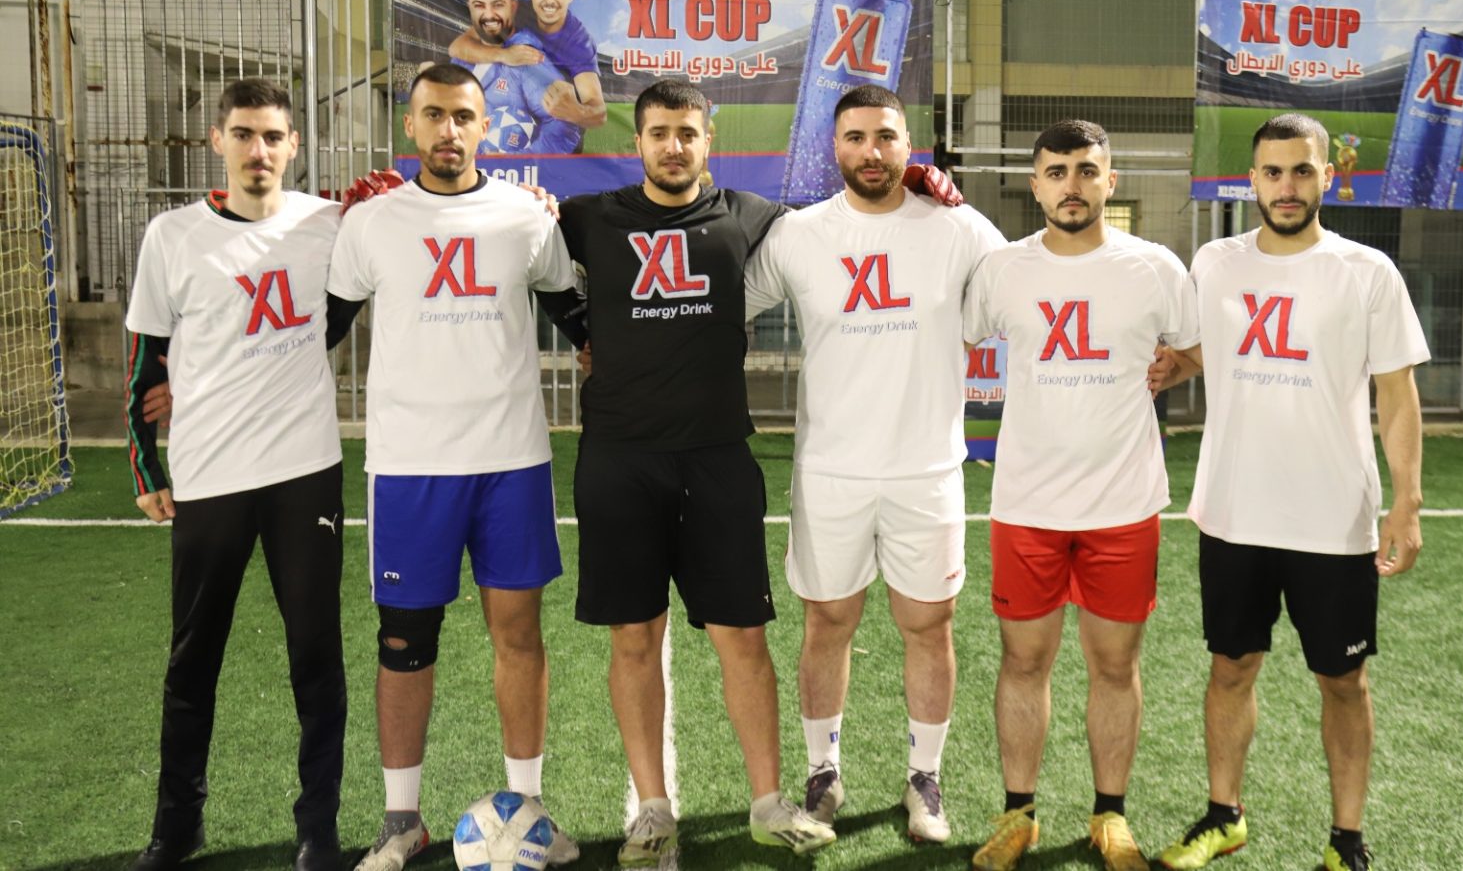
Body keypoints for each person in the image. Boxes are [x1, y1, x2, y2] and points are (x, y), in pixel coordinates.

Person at [555, 78, 833, 867]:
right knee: (634, 637)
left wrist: (924, 183)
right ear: (637, 142)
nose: (673, 146)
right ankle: (651, 809)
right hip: (619, 459)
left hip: (717, 459)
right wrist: (580, 330)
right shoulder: (587, 219)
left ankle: (768, 801)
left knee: (743, 636)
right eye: (659, 133)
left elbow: (848, 221)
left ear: (709, 139)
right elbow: (520, 252)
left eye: (687, 132)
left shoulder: (752, 216)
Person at [1150, 113, 1427, 871]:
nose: (1287, 186)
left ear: (1327, 176)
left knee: (1344, 679)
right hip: (1234, 512)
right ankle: (1224, 817)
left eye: (1302, 171)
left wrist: (1407, 500)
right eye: (1273, 172)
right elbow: (1206, 348)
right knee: (1230, 668)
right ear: (1252, 180)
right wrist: (1179, 365)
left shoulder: (1367, 271)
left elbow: (1396, 393)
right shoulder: (1215, 262)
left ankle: (1347, 840)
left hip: (1332, 519)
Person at [741, 84, 1007, 846]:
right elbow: (724, 306)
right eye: (855, 137)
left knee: (929, 623)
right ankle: (822, 770)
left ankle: (925, 776)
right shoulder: (798, 235)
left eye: (886, 137)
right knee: (828, 621)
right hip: (830, 471)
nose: (871, 151)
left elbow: (1028, 285)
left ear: (908, 144)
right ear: (835, 147)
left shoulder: (958, 227)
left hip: (927, 470)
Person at [332, 63, 581, 871]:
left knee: (519, 633)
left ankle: (528, 809)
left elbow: (573, 310)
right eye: (433, 115)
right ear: (410, 125)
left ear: (484, 126)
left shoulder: (526, 216)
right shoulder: (372, 223)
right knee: (405, 639)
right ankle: (401, 820)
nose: (448, 131)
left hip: (511, 461)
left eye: (463, 117)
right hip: (409, 466)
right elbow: (319, 328)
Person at [123, 78, 348, 871]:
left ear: (294, 146)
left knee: (315, 656)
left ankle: (317, 829)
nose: (260, 150)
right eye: (244, 134)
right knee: (193, 659)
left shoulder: (328, 224)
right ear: (217, 140)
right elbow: (145, 357)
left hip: (304, 471)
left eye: (273, 136)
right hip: (209, 475)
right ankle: (176, 827)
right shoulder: (172, 237)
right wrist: (145, 462)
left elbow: (361, 291)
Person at [962, 121, 1199, 871]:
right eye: (1057, 172)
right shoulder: (1003, 270)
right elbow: (954, 340)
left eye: (1086, 171)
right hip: (1027, 504)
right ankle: (1018, 816)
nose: (1072, 185)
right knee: (1022, 661)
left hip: (1122, 505)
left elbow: (1197, 348)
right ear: (1035, 185)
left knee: (1115, 666)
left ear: (1109, 180)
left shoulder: (1155, 267)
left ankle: (1110, 816)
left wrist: (1176, 366)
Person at [449, 0, 606, 132]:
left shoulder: (579, 41)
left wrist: (576, 112)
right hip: (510, 112)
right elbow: (458, 47)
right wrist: (504, 55)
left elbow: (598, 111)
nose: (550, 0)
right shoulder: (516, 11)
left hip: (554, 127)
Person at [452, 0, 580, 154]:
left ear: (512, 7)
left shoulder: (527, 58)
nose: (489, 14)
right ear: (470, 8)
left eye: (498, 5)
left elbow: (564, 126)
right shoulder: (462, 58)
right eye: (479, 5)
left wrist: (520, 161)